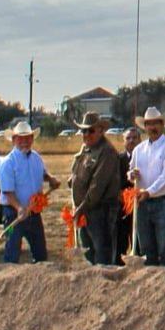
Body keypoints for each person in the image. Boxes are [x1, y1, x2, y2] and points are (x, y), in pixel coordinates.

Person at [0, 120, 61, 264]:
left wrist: (51, 179)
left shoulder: (36, 158)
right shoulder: (8, 163)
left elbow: (43, 173)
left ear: (32, 139)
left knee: (40, 252)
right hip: (13, 214)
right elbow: (7, 192)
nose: (24, 142)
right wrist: (19, 208)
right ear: (14, 140)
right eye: (21, 138)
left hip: (34, 212)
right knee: (12, 249)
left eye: (27, 138)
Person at [129, 107, 165, 268]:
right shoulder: (139, 149)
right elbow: (130, 170)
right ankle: (152, 285)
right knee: (146, 249)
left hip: (164, 203)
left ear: (162, 125)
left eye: (155, 124)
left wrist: (149, 191)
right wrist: (131, 174)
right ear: (144, 127)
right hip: (142, 204)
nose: (152, 127)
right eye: (148, 124)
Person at [69, 112, 123, 266]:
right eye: (83, 131)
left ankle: (105, 285)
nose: (86, 134)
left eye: (90, 130)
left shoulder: (106, 152)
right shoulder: (86, 149)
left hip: (101, 210)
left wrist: (80, 208)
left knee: (102, 253)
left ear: (101, 130)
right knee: (89, 251)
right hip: (85, 209)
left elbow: (97, 186)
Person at [117, 126, 139, 258]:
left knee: (138, 239)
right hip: (122, 206)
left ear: (140, 139)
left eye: (135, 138)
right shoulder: (117, 159)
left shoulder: (145, 157)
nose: (131, 141)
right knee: (121, 239)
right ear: (123, 141)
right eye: (128, 138)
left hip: (140, 204)